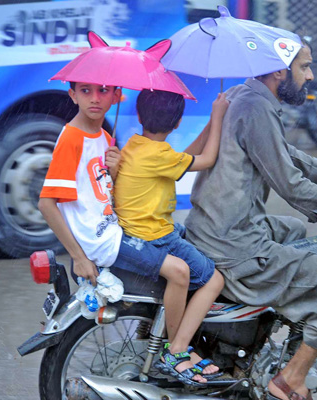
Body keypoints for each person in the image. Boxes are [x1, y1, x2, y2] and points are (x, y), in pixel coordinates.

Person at [184, 44, 317, 400]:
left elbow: (278, 149)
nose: (310, 76)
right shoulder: (255, 108)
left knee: (295, 231)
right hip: (232, 243)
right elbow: (291, 186)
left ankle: (250, 342)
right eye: (305, 67)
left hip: (214, 224)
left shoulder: (244, 94)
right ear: (279, 70)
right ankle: (291, 378)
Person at [37, 81, 222, 387]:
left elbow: (100, 191)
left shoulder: (105, 137)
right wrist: (78, 257)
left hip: (115, 229)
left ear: (116, 96)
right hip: (104, 242)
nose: (95, 99)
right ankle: (176, 353)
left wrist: (113, 171)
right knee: (180, 272)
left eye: (102, 91)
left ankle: (161, 336)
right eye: (85, 91)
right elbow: (46, 203)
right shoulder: (72, 138)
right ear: (71, 94)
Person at [113, 89, 229, 385]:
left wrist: (207, 127)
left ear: (139, 116)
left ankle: (177, 342)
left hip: (140, 233)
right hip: (153, 238)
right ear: (177, 122)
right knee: (213, 279)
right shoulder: (159, 155)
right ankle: (177, 349)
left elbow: (184, 158)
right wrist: (217, 117)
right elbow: (207, 159)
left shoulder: (136, 146)